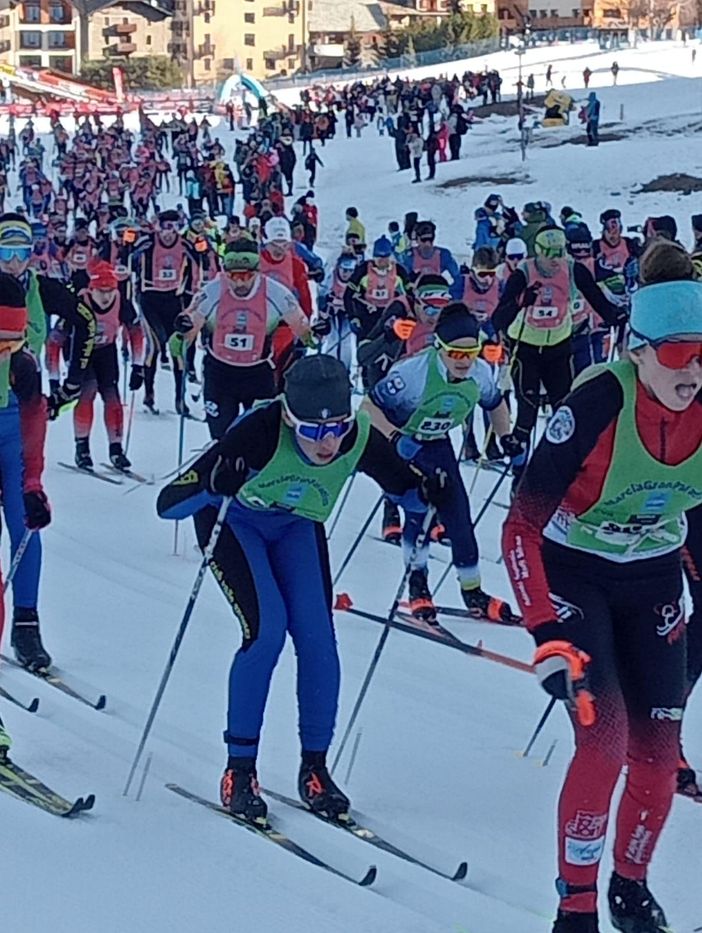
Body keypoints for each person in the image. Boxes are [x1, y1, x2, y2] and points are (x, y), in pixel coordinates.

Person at [156, 354, 445, 824]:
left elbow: (406, 489)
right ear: (290, 418)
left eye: (336, 429)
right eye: (312, 431)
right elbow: (168, 504)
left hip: (295, 526)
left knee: (318, 641)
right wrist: (213, 483)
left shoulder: (357, 436)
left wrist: (430, 491)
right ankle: (240, 771)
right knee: (266, 632)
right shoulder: (259, 430)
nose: (327, 443)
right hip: (236, 523)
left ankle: (315, 769)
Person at [502, 276, 702, 933]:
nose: (694, 370)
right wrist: (544, 632)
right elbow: (520, 528)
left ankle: (630, 888)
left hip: (652, 580)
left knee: (659, 754)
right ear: (638, 351)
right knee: (605, 741)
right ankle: (576, 904)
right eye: (679, 353)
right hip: (575, 574)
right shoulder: (598, 403)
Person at [363, 303, 520, 623]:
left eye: (471, 353)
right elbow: (367, 407)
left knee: (458, 513)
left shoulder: (480, 372)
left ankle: (472, 590)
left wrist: (506, 438)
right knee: (419, 510)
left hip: (435, 442)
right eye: (455, 353)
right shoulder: (412, 374)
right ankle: (417, 585)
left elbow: (495, 403)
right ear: (439, 347)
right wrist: (395, 437)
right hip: (399, 443)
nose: (464, 361)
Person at [493, 226, 625, 491]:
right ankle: (519, 474)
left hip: (558, 349)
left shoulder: (573, 269)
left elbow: (596, 299)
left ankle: (562, 469)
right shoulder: (524, 273)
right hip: (526, 349)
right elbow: (499, 318)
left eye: (560, 252)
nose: (556, 260)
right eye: (549, 254)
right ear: (538, 252)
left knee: (563, 411)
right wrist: (521, 301)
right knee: (527, 412)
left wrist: (615, 315)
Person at [172, 239, 312, 439]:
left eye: (246, 276)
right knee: (221, 439)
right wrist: (181, 334)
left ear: (257, 271)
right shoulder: (210, 292)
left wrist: (316, 333)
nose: (239, 283)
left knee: (261, 441)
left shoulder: (277, 294)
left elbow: (304, 331)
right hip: (219, 375)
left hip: (258, 374)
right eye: (232, 276)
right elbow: (186, 332)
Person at [71, 260, 144, 471]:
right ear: (91, 289)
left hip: (106, 351)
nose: (106, 297)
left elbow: (136, 332)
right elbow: (56, 339)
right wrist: (55, 378)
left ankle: (116, 449)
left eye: (111, 290)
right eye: (101, 291)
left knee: (112, 398)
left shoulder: (122, 302)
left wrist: (138, 366)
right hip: (82, 352)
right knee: (88, 392)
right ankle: (82, 448)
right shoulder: (80, 302)